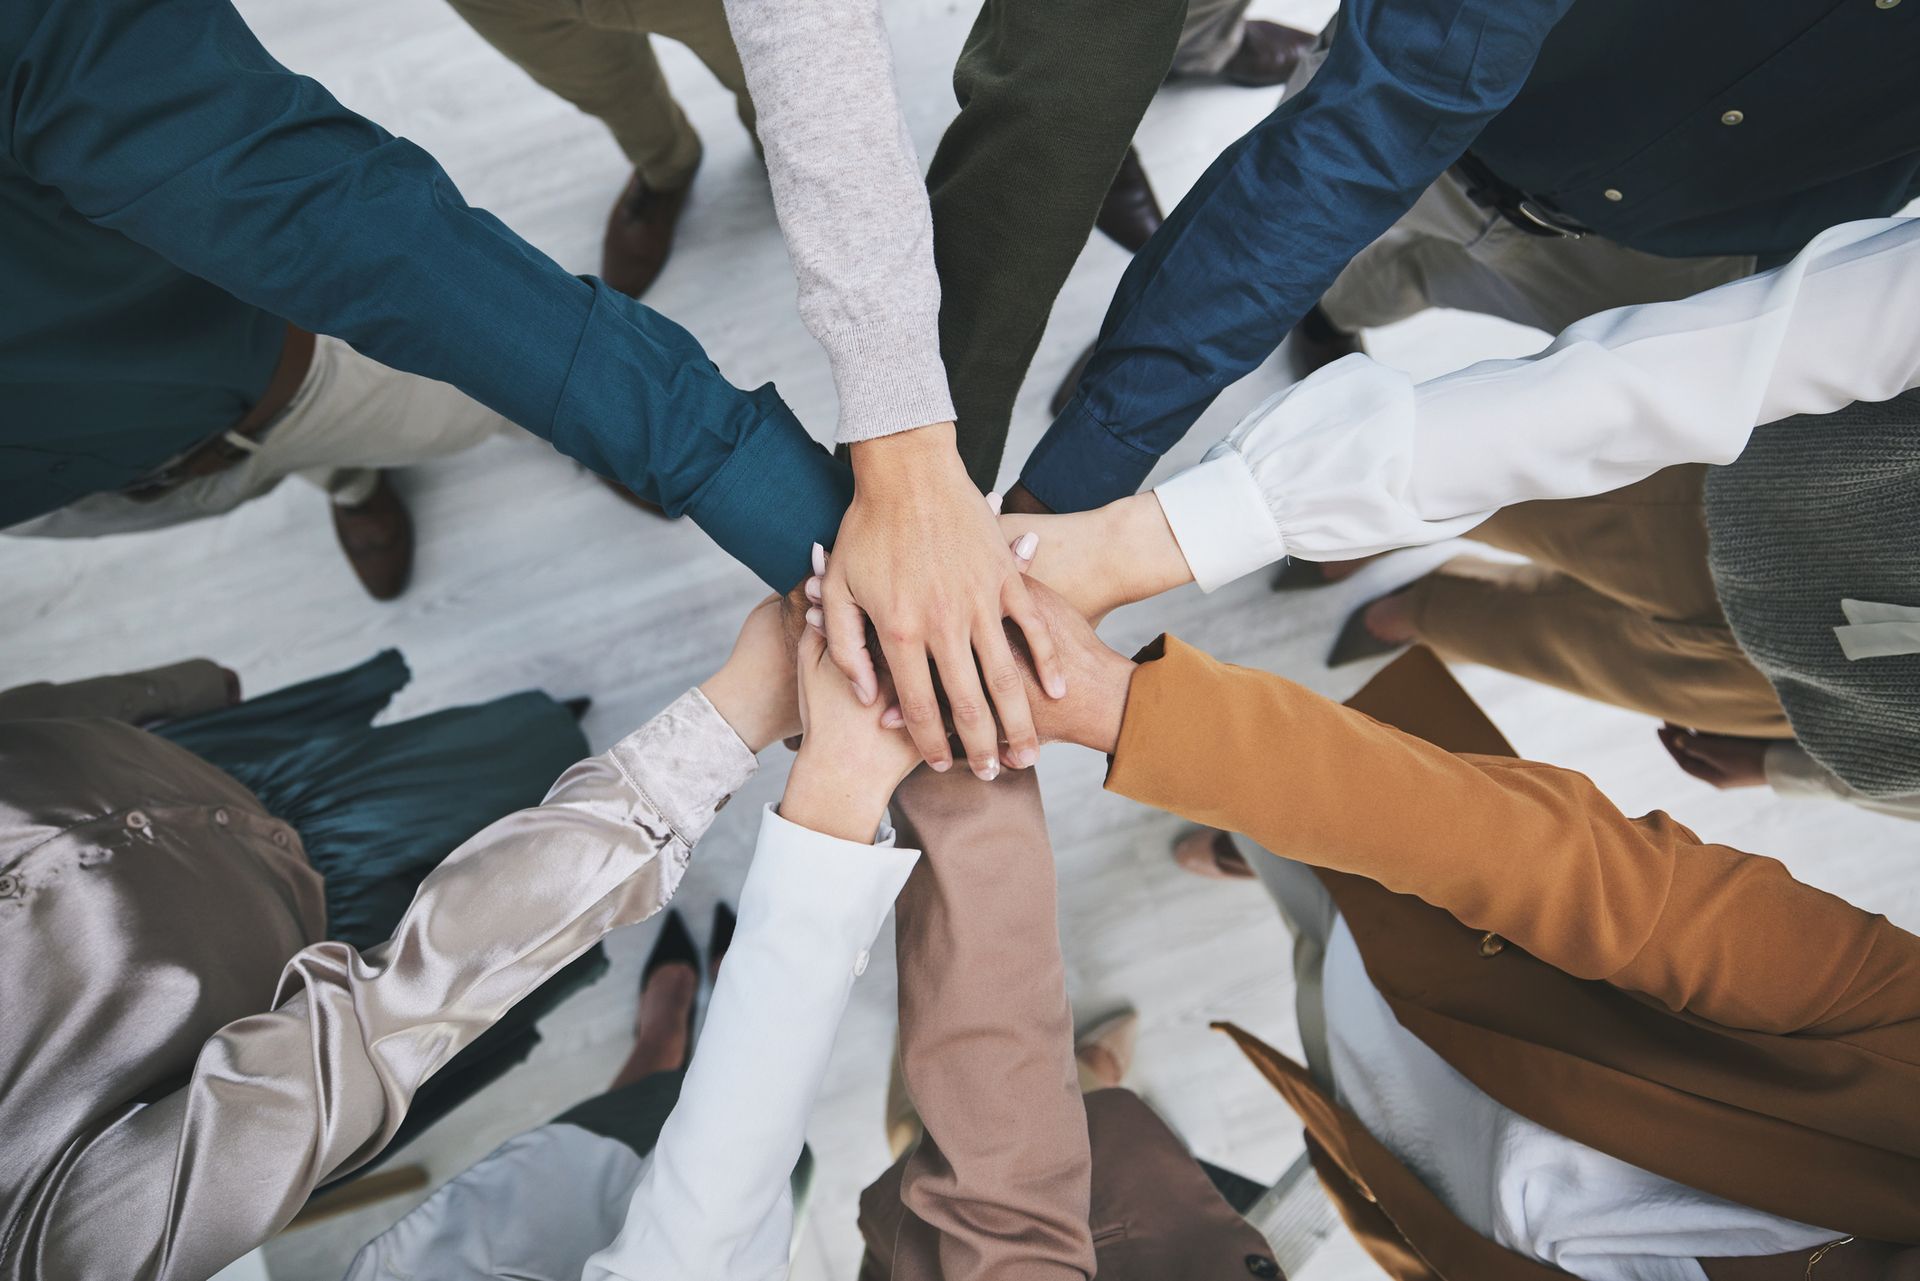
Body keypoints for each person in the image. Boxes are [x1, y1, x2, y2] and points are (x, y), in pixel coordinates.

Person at [947, 571, 1920, 1280]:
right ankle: (1283, 854)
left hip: (1386, 1131)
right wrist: (1135, 715)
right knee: (1340, 873)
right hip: (1463, 947)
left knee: (1318, 961)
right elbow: (1587, 878)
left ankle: (1287, 869)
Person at [1004, 217, 1920, 820]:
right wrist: (1176, 531)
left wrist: (1798, 768)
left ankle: (1415, 604)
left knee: (1577, 652)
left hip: (1822, 705)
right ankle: (1382, 533)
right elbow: (1683, 378)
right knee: (1540, 495)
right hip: (1769, 493)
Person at [0, 597, 804, 1281]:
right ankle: (662, 1040)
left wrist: (161, 694)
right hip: (336, 941)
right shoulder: (60, 1246)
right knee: (504, 893)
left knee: (505, 758)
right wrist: (715, 733)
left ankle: (653, 1012)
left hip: (208, 770)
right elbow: (393, 1008)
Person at [2, 0, 854, 603]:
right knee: (334, 459)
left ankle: (570, 429)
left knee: (476, 387)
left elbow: (330, 218)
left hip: (282, 359)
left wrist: (734, 475)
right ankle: (352, 483)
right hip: (79, 493)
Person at [1011, 0, 1920, 522]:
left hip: (1677, 251)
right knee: (1301, 227)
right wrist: (1093, 463)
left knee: (1400, 287)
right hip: (1449, 125)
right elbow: (1381, 116)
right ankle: (1176, 339)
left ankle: (1324, 313)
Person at [339, 613, 926, 1281]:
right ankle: (687, 1023)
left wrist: (729, 728)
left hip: (528, 1222)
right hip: (704, 1235)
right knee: (751, 1159)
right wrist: (832, 804)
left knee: (623, 1121)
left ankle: (659, 1039)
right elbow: (700, 1240)